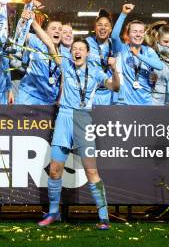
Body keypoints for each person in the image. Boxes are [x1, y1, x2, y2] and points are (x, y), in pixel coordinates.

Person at [33, 26, 120, 230]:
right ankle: (54, 213)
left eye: (81, 48)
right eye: (74, 48)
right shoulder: (64, 64)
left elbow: (115, 87)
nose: (77, 51)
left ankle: (104, 218)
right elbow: (48, 42)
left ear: (87, 53)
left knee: (91, 171)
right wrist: (34, 23)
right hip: (63, 116)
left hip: (83, 119)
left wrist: (115, 69)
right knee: (55, 171)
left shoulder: (96, 72)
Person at [110, 4, 163, 105]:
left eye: (141, 32)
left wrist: (138, 55)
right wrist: (123, 14)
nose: (138, 34)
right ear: (128, 34)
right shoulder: (122, 49)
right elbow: (114, 36)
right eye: (134, 31)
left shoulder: (148, 51)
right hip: (125, 103)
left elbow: (159, 66)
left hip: (145, 102)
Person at [15, 3, 64, 105]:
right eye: (53, 28)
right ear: (45, 31)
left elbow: (64, 80)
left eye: (60, 29)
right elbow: (20, 33)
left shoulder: (65, 53)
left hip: (49, 100)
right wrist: (24, 19)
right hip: (28, 95)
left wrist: (59, 100)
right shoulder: (35, 41)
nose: (57, 31)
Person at [145, 21, 169, 106]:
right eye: (165, 41)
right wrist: (149, 76)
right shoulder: (150, 54)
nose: (168, 45)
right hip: (153, 98)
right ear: (158, 40)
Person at [86, 10, 115, 105]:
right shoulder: (87, 43)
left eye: (106, 25)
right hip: (90, 93)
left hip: (109, 94)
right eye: (99, 25)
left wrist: (123, 14)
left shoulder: (115, 45)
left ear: (110, 29)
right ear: (95, 27)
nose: (103, 27)